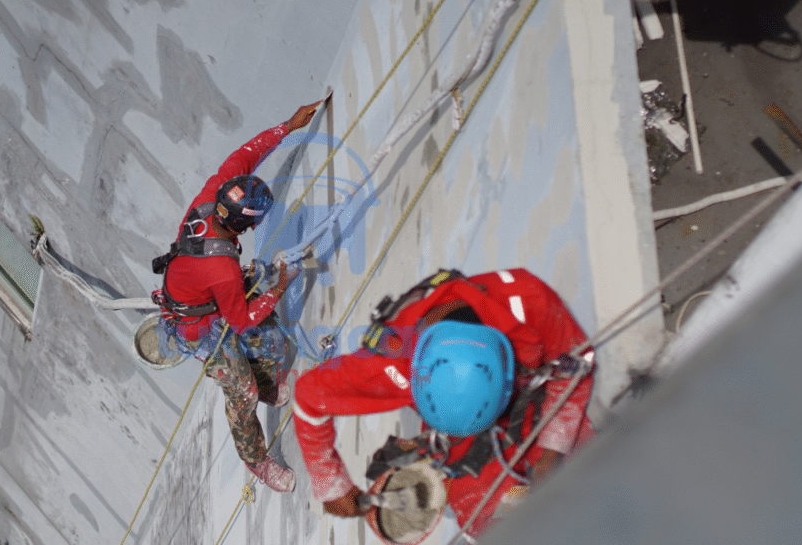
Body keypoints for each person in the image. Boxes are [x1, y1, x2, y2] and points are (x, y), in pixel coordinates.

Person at [293, 268, 595, 539]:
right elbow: (308, 398)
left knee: (597, 478)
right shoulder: (388, 365)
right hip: (462, 443)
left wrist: (554, 448)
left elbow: (577, 361)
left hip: (537, 403)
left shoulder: (526, 300)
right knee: (495, 527)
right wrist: (331, 483)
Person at [152, 101, 321, 493]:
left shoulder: (213, 196)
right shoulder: (222, 269)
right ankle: (257, 461)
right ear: (244, 226)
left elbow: (245, 155)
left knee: (274, 339)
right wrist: (278, 287)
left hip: (208, 296)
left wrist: (287, 126)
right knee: (240, 391)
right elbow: (241, 319)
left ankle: (265, 384)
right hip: (197, 327)